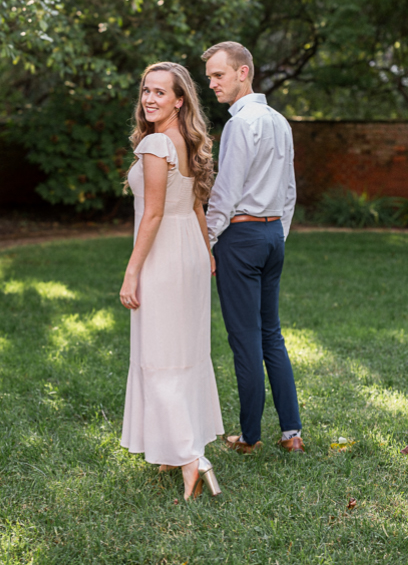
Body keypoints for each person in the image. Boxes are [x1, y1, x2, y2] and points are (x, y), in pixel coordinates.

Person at [119, 61, 225, 501]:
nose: (149, 98)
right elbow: (198, 204)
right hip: (190, 254)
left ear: (179, 100)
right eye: (146, 90)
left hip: (165, 254)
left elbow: (155, 213)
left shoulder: (157, 143)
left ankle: (190, 459)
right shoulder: (184, 140)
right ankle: (171, 447)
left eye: (160, 92)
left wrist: (131, 270)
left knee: (160, 357)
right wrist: (207, 252)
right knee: (183, 353)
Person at [203, 41, 302, 454]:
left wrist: (206, 242)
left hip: (241, 239)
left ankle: (248, 436)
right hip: (271, 238)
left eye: (218, 75)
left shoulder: (240, 125)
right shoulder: (280, 121)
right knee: (271, 336)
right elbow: (291, 191)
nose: (211, 84)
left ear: (243, 72)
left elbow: (225, 193)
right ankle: (291, 434)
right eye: (209, 77)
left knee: (245, 340)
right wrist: (278, 233)